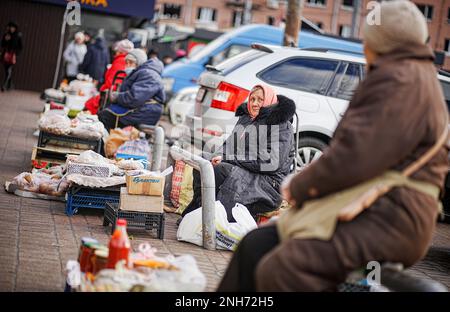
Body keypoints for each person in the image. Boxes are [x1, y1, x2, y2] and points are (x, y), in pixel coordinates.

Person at [217, 0, 449, 292]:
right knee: (256, 244)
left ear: (377, 43)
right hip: (376, 209)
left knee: (283, 268)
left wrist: (300, 186)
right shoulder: (408, 75)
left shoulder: (399, 80)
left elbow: (355, 157)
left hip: (389, 218)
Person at [180, 84, 295, 224]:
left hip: (268, 181)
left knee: (219, 170)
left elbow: (271, 162)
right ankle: (200, 209)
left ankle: (213, 218)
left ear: (269, 100)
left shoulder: (281, 125)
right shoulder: (246, 118)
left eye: (260, 99)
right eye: (252, 99)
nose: (255, 103)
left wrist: (228, 159)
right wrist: (218, 156)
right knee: (203, 161)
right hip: (246, 167)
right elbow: (229, 145)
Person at [98, 48, 166, 131]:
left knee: (105, 116)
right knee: (105, 112)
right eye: (126, 62)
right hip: (139, 109)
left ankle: (108, 142)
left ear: (139, 63)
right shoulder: (141, 72)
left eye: (131, 62)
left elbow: (135, 97)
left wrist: (117, 97)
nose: (128, 65)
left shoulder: (149, 74)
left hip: (145, 112)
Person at [84, 39, 134, 115]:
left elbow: (112, 85)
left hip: (107, 98)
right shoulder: (125, 62)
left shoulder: (120, 62)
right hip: (111, 97)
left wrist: (95, 101)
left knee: (87, 109)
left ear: (120, 51)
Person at [1, 21, 23, 92]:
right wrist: (5, 40)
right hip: (6, 54)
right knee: (6, 69)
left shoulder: (18, 36)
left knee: (8, 70)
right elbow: (2, 44)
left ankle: (4, 86)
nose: (12, 29)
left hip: (12, 54)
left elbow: (20, 46)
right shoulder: (6, 35)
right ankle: (10, 85)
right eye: (11, 27)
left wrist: (16, 53)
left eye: (13, 28)